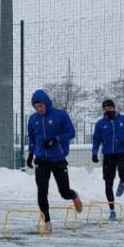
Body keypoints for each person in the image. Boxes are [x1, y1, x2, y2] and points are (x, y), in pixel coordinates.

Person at [27, 89, 83, 233]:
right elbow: (32, 139)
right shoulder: (33, 120)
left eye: (41, 106)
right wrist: (30, 154)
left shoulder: (60, 115)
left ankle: (74, 196)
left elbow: (71, 132)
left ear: (46, 103)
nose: (39, 109)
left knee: (64, 192)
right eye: (36, 107)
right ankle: (47, 222)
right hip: (41, 159)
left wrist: (55, 140)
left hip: (58, 159)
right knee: (42, 190)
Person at [90, 99, 124, 221]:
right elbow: (96, 139)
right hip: (108, 155)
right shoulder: (100, 124)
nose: (108, 111)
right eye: (105, 109)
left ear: (114, 108)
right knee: (108, 183)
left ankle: (122, 182)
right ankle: (112, 210)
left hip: (122, 152)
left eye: (110, 108)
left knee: (122, 170)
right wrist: (94, 152)